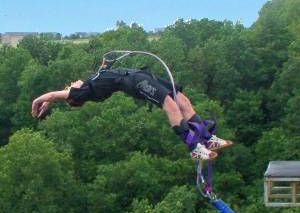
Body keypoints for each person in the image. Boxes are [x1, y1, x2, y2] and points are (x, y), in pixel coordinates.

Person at [31, 66, 232, 160]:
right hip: (135, 83)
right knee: (170, 105)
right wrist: (42, 100)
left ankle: (207, 139)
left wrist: (103, 67)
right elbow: (58, 94)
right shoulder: (83, 92)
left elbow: (103, 73)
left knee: (183, 100)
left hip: (141, 75)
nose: (71, 83)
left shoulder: (92, 80)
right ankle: (194, 148)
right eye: (69, 87)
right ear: (73, 96)